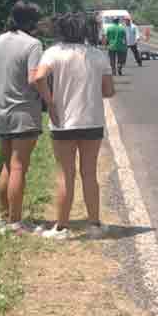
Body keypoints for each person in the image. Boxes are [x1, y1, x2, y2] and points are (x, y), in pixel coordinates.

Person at [31, 12, 115, 240]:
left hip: (63, 123)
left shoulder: (54, 53)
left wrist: (50, 103)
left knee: (65, 175)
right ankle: (95, 225)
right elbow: (108, 91)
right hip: (92, 121)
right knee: (89, 173)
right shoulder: (98, 55)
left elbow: (38, 78)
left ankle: (62, 227)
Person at [0, 0, 43, 235]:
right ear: (31, 22)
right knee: (19, 167)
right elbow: (34, 79)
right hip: (23, 112)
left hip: (0, 111)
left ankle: (4, 217)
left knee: (8, 166)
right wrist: (48, 97)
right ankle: (16, 223)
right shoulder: (33, 44)